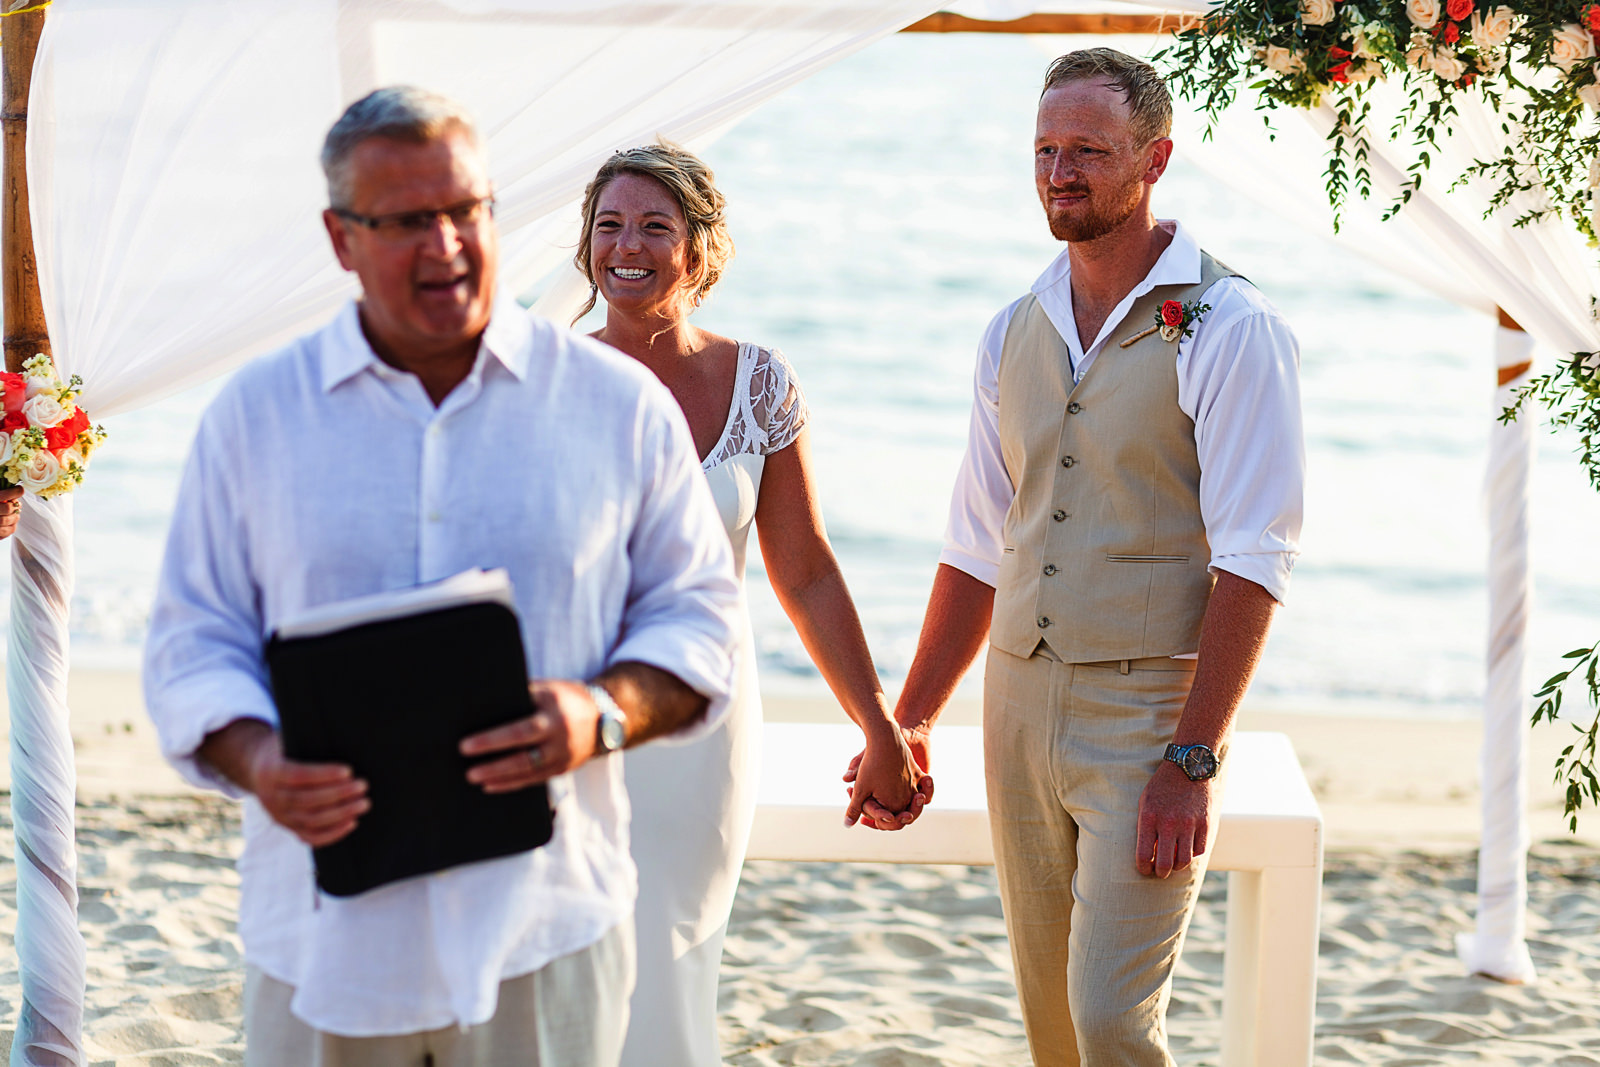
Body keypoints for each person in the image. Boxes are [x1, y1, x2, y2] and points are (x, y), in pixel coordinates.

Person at [142, 87, 741, 1067]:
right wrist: (257, 759)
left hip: (547, 934)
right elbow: (189, 642)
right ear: (341, 238)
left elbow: (700, 620)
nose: (448, 244)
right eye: (408, 220)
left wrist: (602, 714)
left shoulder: (615, 405)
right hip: (323, 944)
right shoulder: (254, 415)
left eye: (466, 210)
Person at [890, 49, 1304, 1066]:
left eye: (1087, 149)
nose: (1058, 171)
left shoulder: (1229, 324)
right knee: (1048, 1018)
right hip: (1016, 705)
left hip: (1146, 718)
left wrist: (1192, 754)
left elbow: (1255, 555)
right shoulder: (1010, 330)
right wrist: (910, 718)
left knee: (1112, 1020)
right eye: (1043, 149)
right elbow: (976, 545)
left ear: (1154, 157)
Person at [573, 142, 930, 1067]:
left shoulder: (760, 383)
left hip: (707, 730)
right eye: (609, 224)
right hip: (576, 727)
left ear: (699, 246)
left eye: (655, 225)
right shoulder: (548, 381)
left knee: (674, 967)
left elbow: (804, 571)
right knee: (575, 971)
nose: (628, 246)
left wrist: (881, 724)